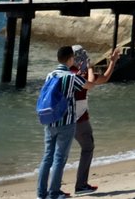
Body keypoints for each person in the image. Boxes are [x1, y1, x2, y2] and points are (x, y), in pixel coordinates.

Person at [36, 45, 109, 199]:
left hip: (49, 121)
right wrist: (89, 68)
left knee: (47, 156)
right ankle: (54, 192)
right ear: (70, 58)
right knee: (59, 157)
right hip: (66, 122)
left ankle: (41, 193)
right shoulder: (71, 76)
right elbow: (90, 85)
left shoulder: (51, 75)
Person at [70, 44, 122, 194]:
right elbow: (93, 82)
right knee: (87, 148)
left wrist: (112, 62)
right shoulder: (79, 73)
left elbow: (104, 78)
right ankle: (80, 185)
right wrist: (91, 67)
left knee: (61, 153)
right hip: (79, 118)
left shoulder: (67, 72)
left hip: (66, 118)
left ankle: (54, 189)